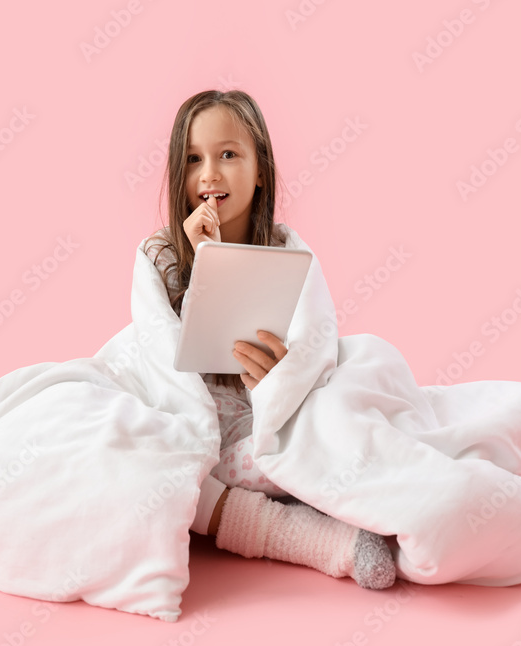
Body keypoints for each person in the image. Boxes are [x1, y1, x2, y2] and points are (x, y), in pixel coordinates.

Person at [142, 89, 395, 590]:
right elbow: (157, 351)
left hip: (264, 413)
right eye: (193, 159)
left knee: (344, 406)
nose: (209, 174)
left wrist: (281, 376)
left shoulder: (285, 248)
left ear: (261, 171)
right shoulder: (160, 255)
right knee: (167, 474)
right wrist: (204, 261)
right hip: (198, 420)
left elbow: (317, 339)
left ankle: (356, 495)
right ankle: (322, 539)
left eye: (228, 155)